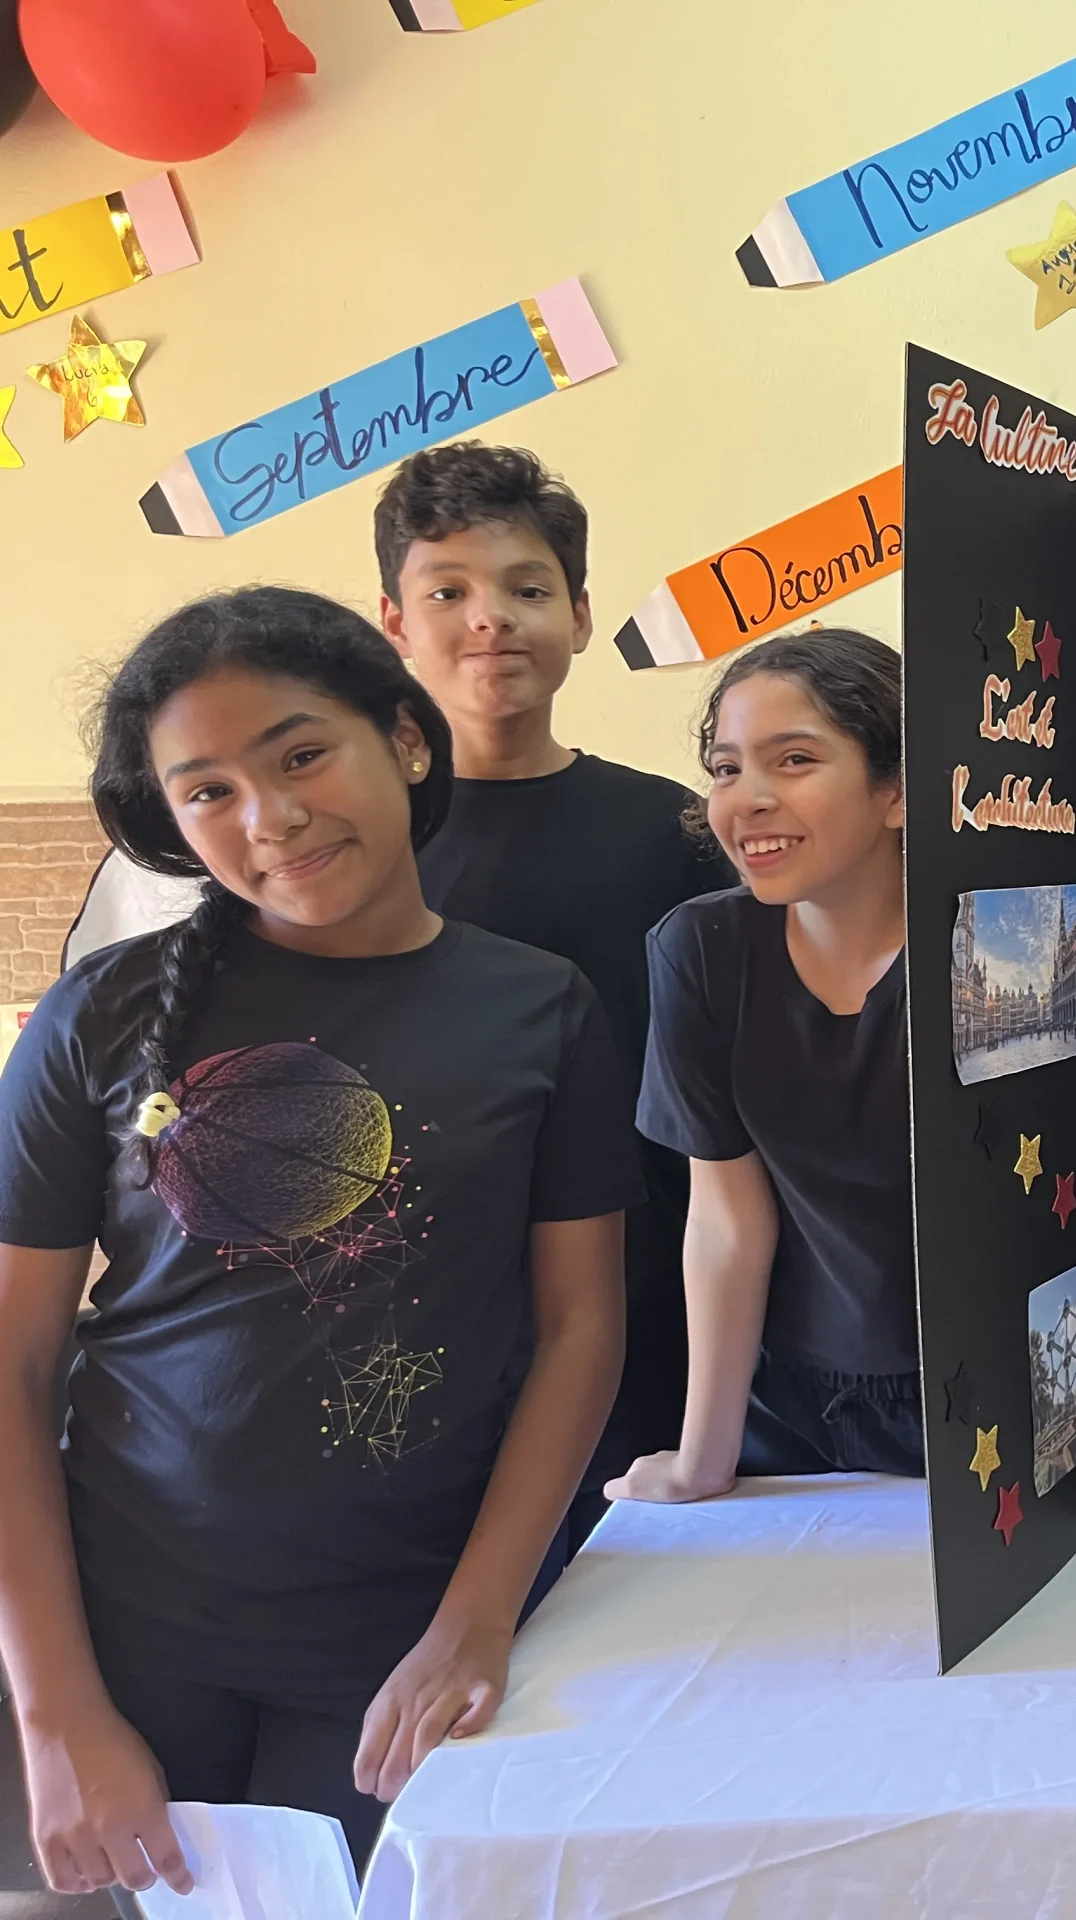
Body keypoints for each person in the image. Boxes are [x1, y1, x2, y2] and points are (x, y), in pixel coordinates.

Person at [0, 588, 637, 1896]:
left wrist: (474, 1624)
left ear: (403, 738)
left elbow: (580, 1328)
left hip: (398, 1637)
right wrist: (54, 1713)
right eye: (209, 791)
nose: (270, 816)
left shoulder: (542, 1008)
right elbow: (10, 1364)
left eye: (300, 755)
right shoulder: (99, 1014)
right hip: (124, 1634)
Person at [375, 443, 730, 1546]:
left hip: (646, 1289)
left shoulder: (675, 830)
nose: (490, 619)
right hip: (418, 1294)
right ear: (393, 624)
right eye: (447, 592)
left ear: (577, 617)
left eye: (526, 590)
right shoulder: (354, 847)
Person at [606, 629, 920, 1503]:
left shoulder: (1004, 939)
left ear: (897, 788)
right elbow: (726, 1222)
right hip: (794, 1412)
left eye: (795, 760)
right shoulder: (701, 949)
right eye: (727, 768)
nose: (748, 799)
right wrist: (700, 1460)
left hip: (997, 1401)